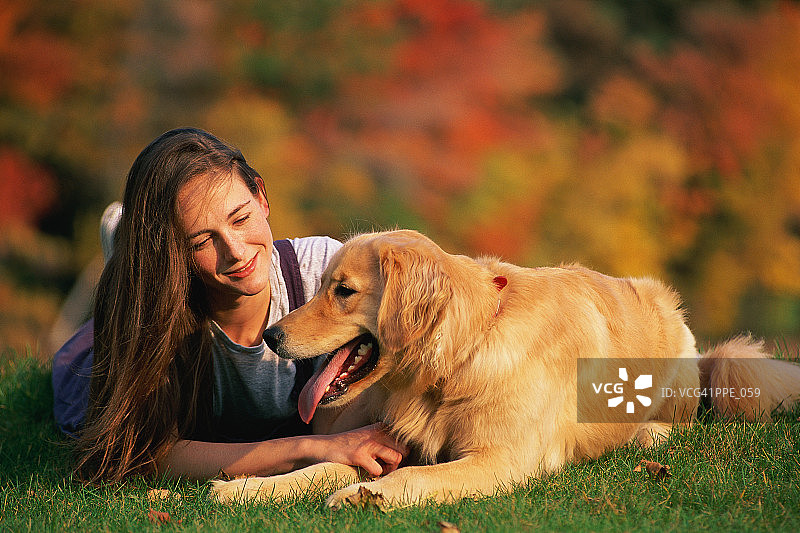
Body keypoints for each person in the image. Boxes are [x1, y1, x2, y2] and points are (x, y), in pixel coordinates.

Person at [56, 127, 405, 483]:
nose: (236, 252)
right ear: (176, 252)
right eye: (202, 240)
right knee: (92, 364)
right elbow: (142, 454)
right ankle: (126, 251)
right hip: (131, 322)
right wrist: (311, 449)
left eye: (240, 218)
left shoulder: (325, 274)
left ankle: (126, 241)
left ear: (262, 198)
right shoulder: (158, 320)